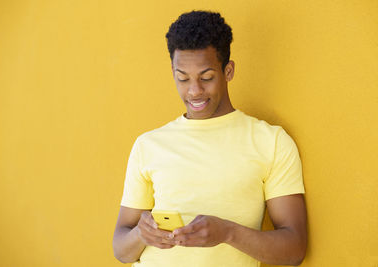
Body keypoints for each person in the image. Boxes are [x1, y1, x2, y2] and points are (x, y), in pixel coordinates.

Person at [113, 10, 307, 267]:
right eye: (183, 78)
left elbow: (294, 250)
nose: (194, 91)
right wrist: (141, 234)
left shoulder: (271, 142)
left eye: (206, 78)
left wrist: (228, 233)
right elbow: (121, 250)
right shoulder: (147, 145)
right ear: (172, 71)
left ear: (228, 71)